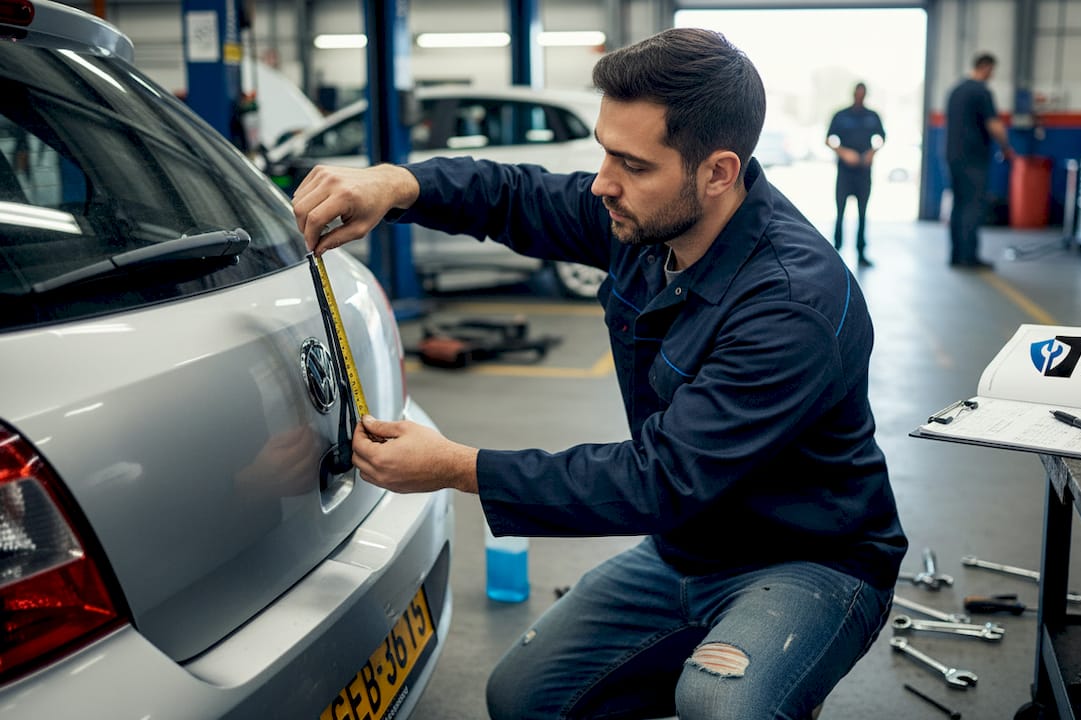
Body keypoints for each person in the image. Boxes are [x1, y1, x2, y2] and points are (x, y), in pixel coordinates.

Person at [293, 27, 906, 720]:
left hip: (809, 560)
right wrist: (397, 182)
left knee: (721, 704)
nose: (604, 183)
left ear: (718, 172)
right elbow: (513, 195)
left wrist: (458, 466)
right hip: (688, 548)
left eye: (634, 164)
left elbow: (661, 479)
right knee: (525, 697)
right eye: (604, 150)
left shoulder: (791, 304)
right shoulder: (650, 223)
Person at [944, 52, 1015, 269]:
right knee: (973, 206)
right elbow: (994, 124)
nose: (992, 75)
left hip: (952, 156)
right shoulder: (981, 91)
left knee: (958, 205)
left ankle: (956, 255)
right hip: (973, 158)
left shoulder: (955, 91)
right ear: (985, 67)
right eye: (992, 70)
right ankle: (969, 257)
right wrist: (1006, 147)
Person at [826, 82, 885, 267]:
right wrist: (843, 152)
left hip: (864, 172)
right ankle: (836, 249)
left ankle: (861, 252)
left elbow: (882, 137)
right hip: (845, 171)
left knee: (862, 212)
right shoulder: (841, 115)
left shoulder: (872, 116)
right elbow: (828, 139)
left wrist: (871, 153)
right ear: (853, 94)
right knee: (840, 210)